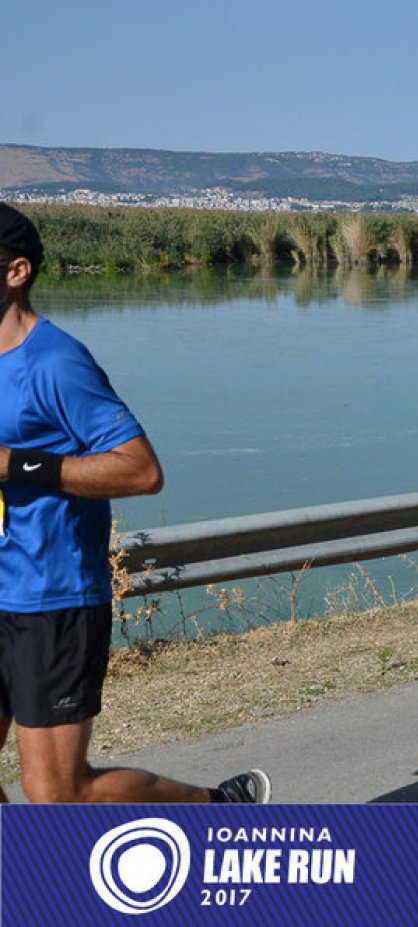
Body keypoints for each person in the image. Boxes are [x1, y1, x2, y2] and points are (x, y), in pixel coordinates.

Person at [0, 204, 269, 803]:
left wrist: (16, 464)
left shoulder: (55, 362)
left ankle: (217, 807)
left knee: (57, 792)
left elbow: (142, 470)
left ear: (16, 272)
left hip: (51, 596)